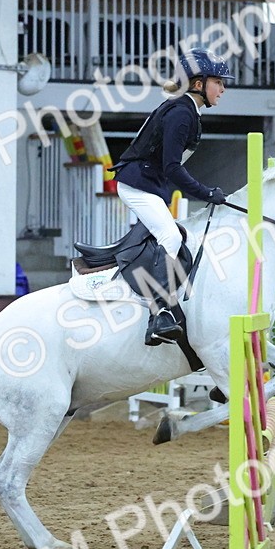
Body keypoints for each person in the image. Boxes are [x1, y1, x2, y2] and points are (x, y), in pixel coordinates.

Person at [110, 47, 233, 346]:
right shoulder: (181, 112)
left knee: (176, 236)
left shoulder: (186, 109)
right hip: (137, 184)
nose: (223, 89)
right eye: (218, 82)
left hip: (149, 184)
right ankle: (159, 313)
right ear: (198, 83)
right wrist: (206, 193)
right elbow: (172, 167)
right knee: (171, 236)